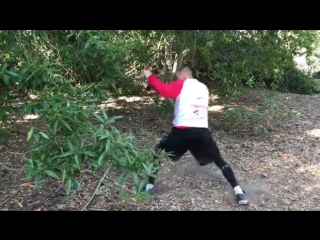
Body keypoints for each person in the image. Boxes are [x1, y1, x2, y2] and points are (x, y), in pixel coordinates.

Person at [141, 67, 249, 205]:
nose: (177, 80)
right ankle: (239, 192)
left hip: (182, 132)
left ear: (183, 75)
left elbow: (163, 89)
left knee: (158, 150)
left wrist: (149, 76)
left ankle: (149, 186)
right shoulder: (203, 87)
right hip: (201, 133)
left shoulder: (183, 83)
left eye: (178, 77)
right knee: (219, 160)